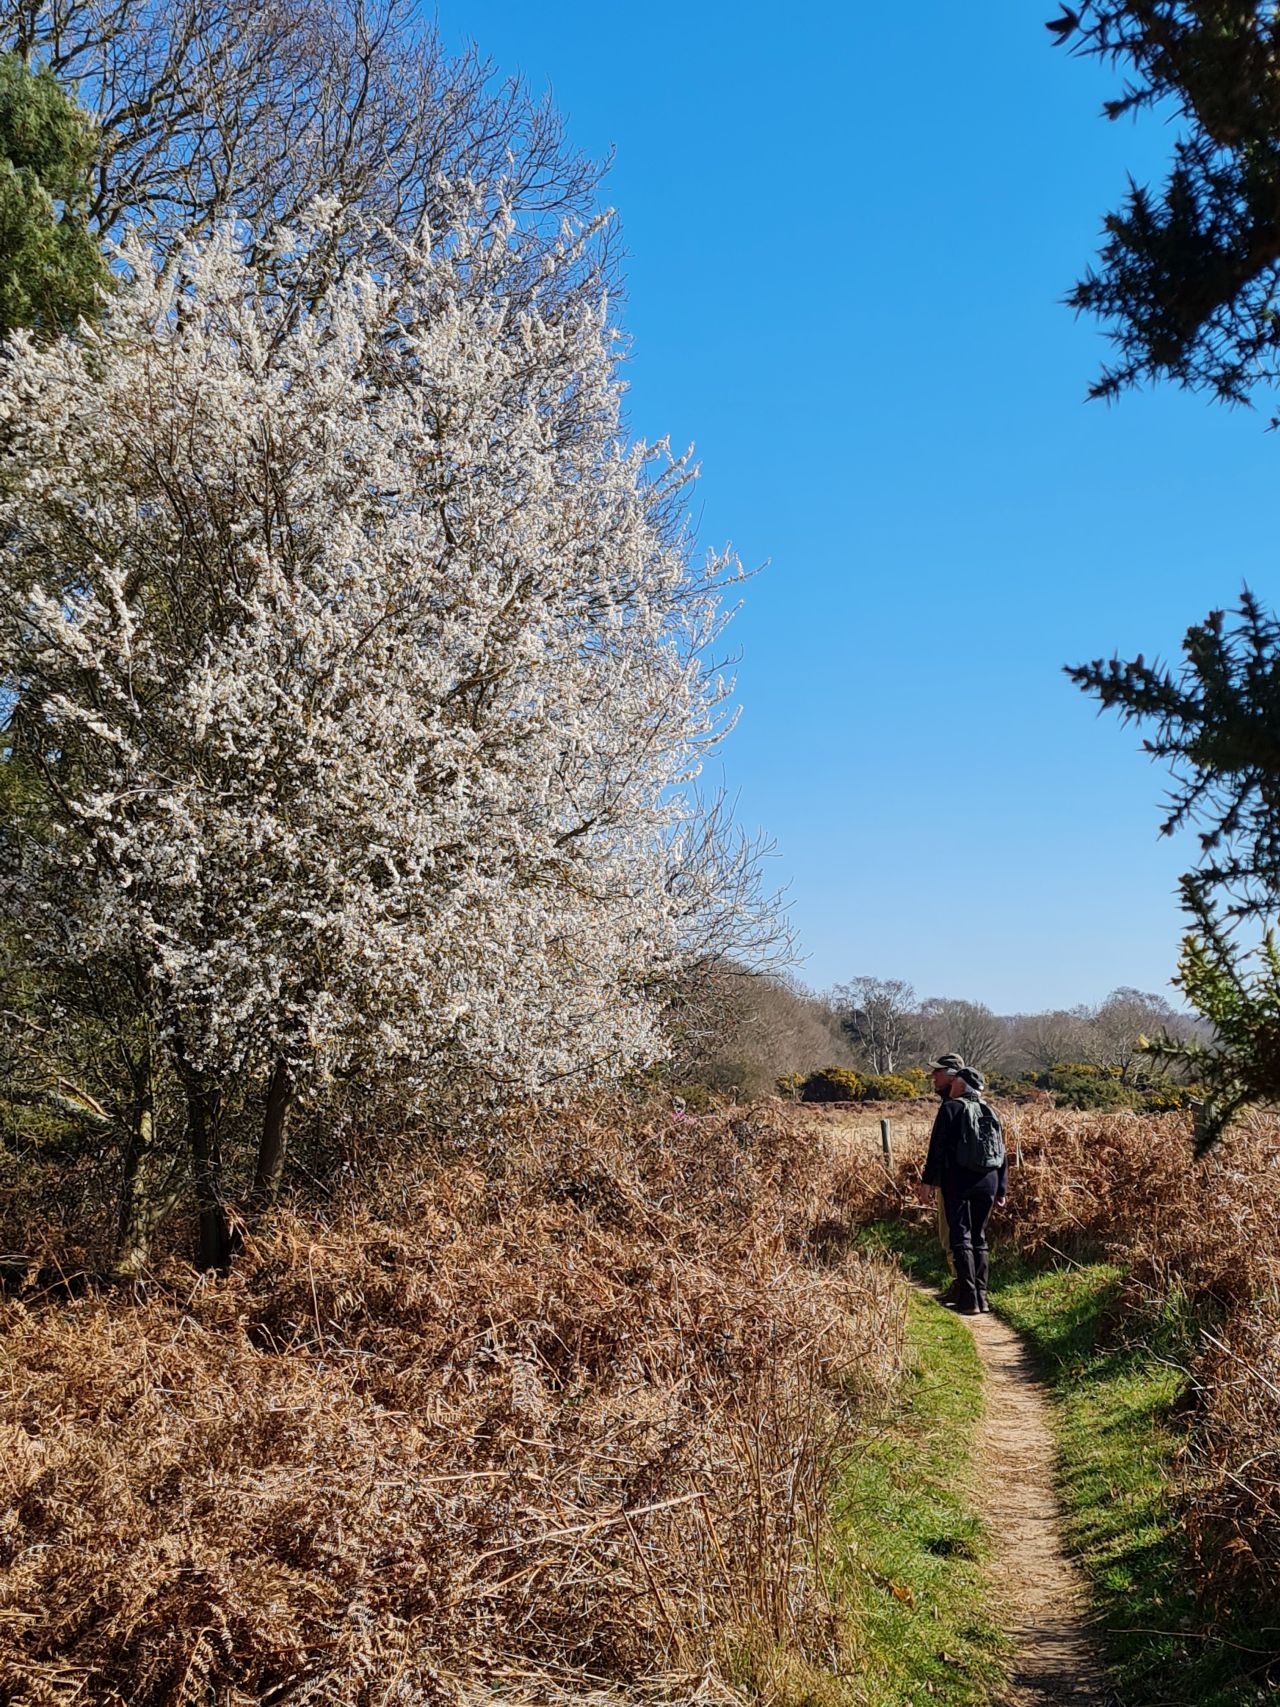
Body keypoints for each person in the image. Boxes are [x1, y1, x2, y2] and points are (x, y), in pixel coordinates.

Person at [915, 1056, 1008, 1315]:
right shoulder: (991, 1110)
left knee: (961, 1237)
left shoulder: (950, 1109)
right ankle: (982, 1297)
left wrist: (927, 1183)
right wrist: (1001, 1187)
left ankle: (968, 1299)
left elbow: (937, 1150)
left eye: (955, 1080)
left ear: (962, 1085)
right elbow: (1002, 1152)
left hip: (958, 1181)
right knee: (980, 1238)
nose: (951, 1083)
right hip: (988, 1182)